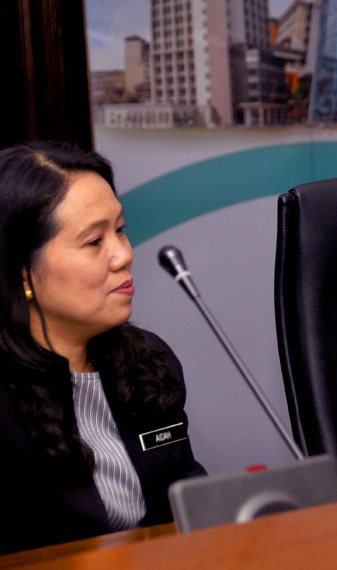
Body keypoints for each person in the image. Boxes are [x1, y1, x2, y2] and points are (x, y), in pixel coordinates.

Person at [0, 142, 204, 553]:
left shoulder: (146, 361)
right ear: (22, 270)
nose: (123, 255)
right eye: (95, 241)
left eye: (121, 230)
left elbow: (187, 505)